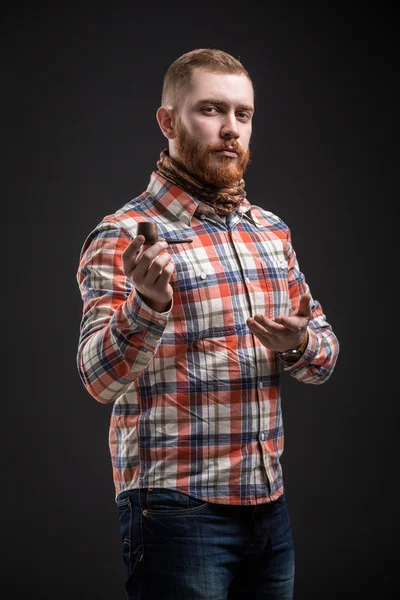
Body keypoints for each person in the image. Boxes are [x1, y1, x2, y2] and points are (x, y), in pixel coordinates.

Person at [76, 48, 339, 600]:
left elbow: (324, 359)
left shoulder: (269, 231)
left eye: (242, 114)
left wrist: (298, 345)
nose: (230, 129)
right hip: (176, 512)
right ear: (168, 121)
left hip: (269, 508)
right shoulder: (123, 234)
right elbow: (100, 381)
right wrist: (146, 306)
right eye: (211, 110)